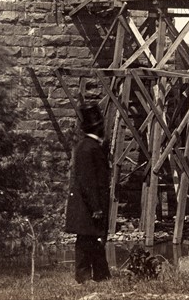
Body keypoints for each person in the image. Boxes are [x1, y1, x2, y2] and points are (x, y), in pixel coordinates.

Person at [65, 102, 111, 284]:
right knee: (86, 242)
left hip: (90, 204)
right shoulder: (88, 148)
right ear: (98, 126)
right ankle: (84, 277)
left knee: (94, 240)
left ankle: (101, 275)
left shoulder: (89, 146)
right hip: (88, 205)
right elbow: (87, 182)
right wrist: (96, 207)